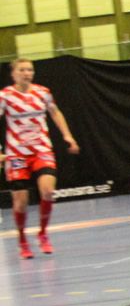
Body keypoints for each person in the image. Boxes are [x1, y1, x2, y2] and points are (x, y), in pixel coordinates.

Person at [1, 58, 80, 259]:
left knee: (48, 191)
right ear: (13, 74)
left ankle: (43, 233)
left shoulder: (42, 92)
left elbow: (55, 112)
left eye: (30, 70)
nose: (27, 73)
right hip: (17, 153)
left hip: (41, 150)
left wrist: (67, 135)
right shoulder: (5, 96)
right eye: (22, 70)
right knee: (21, 202)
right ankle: (22, 240)